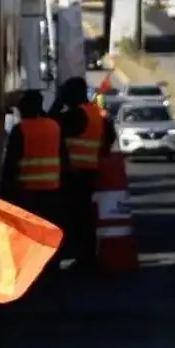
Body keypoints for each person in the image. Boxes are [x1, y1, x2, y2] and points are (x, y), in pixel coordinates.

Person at [48, 77, 114, 270]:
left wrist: (57, 102)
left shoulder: (76, 115)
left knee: (72, 216)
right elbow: (109, 137)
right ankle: (87, 257)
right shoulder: (94, 113)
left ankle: (79, 257)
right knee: (84, 216)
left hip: (74, 173)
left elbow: (50, 124)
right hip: (89, 170)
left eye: (67, 93)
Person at [1, 89, 67, 224]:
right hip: (51, 188)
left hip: (26, 189)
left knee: (27, 226)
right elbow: (63, 156)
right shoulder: (54, 127)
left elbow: (10, 162)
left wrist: (5, 191)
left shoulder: (21, 129)